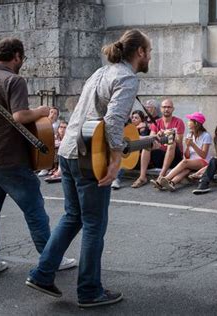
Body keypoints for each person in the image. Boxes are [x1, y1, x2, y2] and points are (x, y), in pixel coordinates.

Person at [26, 29, 152, 307]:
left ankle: (42, 274)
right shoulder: (127, 77)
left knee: (73, 217)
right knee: (94, 224)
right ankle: (89, 290)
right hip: (90, 158)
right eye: (149, 51)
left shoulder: (101, 72)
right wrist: (116, 159)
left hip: (70, 151)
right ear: (140, 52)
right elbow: (115, 119)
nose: (150, 56)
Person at [0, 38, 76, 278]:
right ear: (16, 56)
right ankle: (51, 260)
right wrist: (40, 111)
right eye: (23, 58)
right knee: (35, 210)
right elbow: (19, 116)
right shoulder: (13, 80)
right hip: (10, 159)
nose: (22, 63)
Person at [131, 98, 185, 188]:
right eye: (164, 107)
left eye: (169, 107)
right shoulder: (156, 122)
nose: (166, 109)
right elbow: (151, 138)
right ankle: (142, 177)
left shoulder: (178, 122)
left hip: (175, 157)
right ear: (161, 108)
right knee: (147, 145)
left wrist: (169, 133)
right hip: (160, 156)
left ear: (173, 109)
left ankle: (161, 176)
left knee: (172, 143)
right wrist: (157, 135)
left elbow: (179, 140)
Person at [157, 112, 212, 191]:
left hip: (204, 162)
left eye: (190, 121)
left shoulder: (206, 135)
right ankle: (171, 183)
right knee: (186, 169)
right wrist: (188, 146)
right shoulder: (189, 135)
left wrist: (193, 145)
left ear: (196, 123)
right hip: (192, 161)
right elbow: (187, 155)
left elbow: (203, 155)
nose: (188, 122)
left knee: (184, 162)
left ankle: (164, 179)